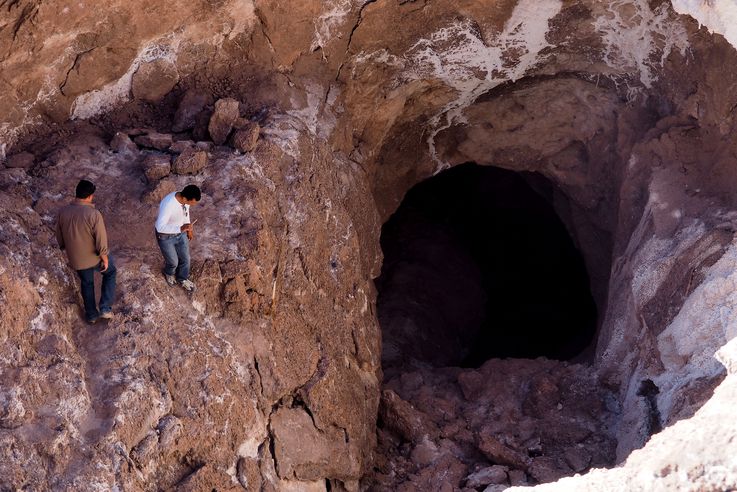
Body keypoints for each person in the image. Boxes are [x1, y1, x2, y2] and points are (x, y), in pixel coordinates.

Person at [56, 179, 117, 323]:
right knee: (111, 273)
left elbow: (59, 237)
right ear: (90, 196)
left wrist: (67, 248)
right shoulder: (93, 214)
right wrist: (105, 257)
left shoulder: (63, 212)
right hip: (93, 257)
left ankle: (91, 315)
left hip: (76, 259)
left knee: (87, 283)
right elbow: (101, 239)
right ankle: (105, 309)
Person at [154, 184, 201, 292]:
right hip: (165, 236)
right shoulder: (168, 204)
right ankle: (169, 273)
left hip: (181, 232)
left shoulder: (184, 200)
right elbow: (160, 227)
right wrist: (181, 228)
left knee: (186, 259)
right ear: (185, 198)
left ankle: (182, 278)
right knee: (173, 262)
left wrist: (189, 229)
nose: (192, 205)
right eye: (191, 203)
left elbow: (185, 213)